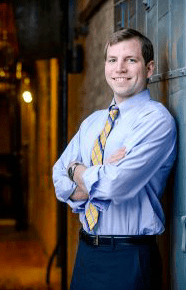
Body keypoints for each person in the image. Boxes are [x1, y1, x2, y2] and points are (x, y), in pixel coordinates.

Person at [53, 28, 177, 290]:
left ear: (149, 68)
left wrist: (77, 169)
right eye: (112, 60)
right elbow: (57, 177)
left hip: (129, 258)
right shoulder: (92, 123)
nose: (119, 68)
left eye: (130, 60)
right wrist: (100, 170)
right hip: (86, 254)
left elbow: (114, 186)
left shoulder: (156, 120)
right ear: (106, 66)